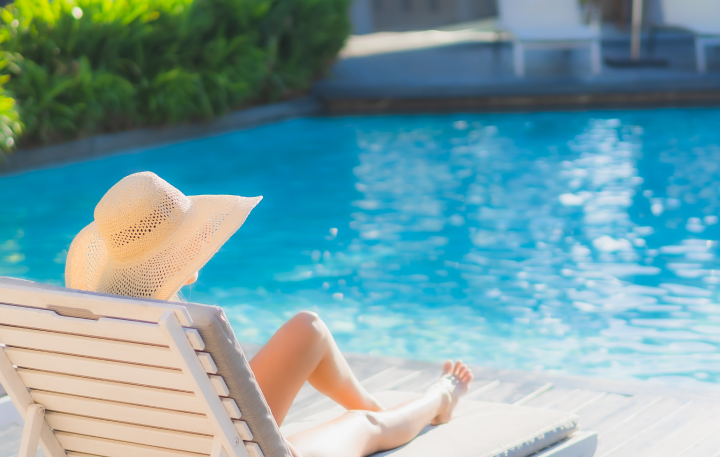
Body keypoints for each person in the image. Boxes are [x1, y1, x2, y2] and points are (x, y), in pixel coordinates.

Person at [65, 172, 473, 457]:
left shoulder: (91, 334)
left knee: (307, 329)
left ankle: (378, 407)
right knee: (367, 428)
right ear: (183, 251)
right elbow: (242, 423)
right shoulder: (186, 328)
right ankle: (437, 400)